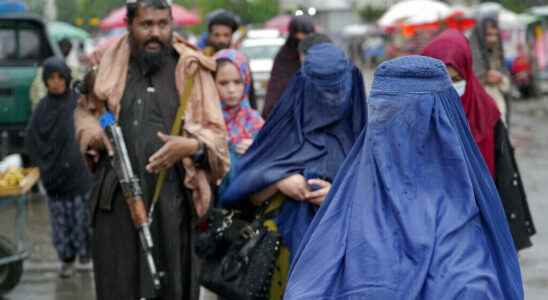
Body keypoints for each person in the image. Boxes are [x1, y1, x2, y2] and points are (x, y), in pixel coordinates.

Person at [284, 55, 523, 300]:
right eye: (383, 113)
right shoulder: (347, 202)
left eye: (409, 117)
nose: (394, 129)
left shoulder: (464, 235)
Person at [73, 0, 229, 299]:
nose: (155, 33)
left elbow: (218, 140)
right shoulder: (107, 68)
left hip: (174, 205)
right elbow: (84, 113)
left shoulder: (191, 70)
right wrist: (95, 135)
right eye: (146, 25)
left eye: (162, 24)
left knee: (173, 288)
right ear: (130, 26)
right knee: (119, 286)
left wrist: (191, 146)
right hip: (117, 201)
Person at [221, 43, 368, 299]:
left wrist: (337, 195)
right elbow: (247, 192)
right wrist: (279, 180)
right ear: (304, 84)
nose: (329, 98)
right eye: (320, 88)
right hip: (279, 261)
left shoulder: (363, 138)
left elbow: (376, 201)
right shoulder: (282, 129)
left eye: (335, 87)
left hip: (343, 263)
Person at [422, 29, 535, 251]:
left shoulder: (487, 113)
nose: (450, 86)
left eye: (456, 79)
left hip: (480, 229)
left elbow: (504, 179)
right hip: (432, 233)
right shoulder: (417, 118)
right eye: (442, 79)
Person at [25, 57, 93, 278]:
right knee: (61, 223)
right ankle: (66, 260)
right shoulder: (42, 109)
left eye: (59, 77)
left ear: (66, 77)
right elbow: (32, 140)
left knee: (82, 219)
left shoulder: (78, 103)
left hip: (79, 174)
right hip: (54, 177)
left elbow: (95, 125)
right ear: (45, 81)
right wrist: (44, 165)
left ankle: (85, 256)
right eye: (50, 78)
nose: (55, 82)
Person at [213, 49, 264, 196]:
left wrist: (256, 149)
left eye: (238, 82)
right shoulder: (203, 120)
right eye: (223, 83)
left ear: (247, 82)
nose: (231, 90)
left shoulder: (254, 121)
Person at [262, 15, 315, 119]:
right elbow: (275, 91)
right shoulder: (284, 58)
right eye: (297, 41)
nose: (301, 46)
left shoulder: (320, 57)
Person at [470, 14, 512, 124]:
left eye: (495, 35)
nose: (493, 39)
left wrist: (500, 78)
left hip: (499, 109)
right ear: (481, 35)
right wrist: (484, 77)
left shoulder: (498, 52)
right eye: (488, 35)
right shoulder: (471, 54)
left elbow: (506, 79)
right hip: (479, 111)